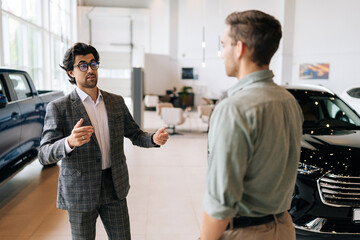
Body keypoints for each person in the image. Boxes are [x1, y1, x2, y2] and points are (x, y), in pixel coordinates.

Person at [38, 42, 169, 240]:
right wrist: (69, 142)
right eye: (82, 65)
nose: (90, 69)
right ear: (70, 72)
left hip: (114, 186)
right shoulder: (59, 108)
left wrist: (153, 139)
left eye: (93, 64)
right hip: (81, 190)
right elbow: (44, 154)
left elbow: (135, 134)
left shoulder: (116, 102)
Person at [200, 10, 303, 240]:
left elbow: (220, 202)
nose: (221, 53)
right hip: (284, 228)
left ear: (240, 49)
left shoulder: (234, 109)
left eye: (224, 44)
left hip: (246, 232)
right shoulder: (288, 101)